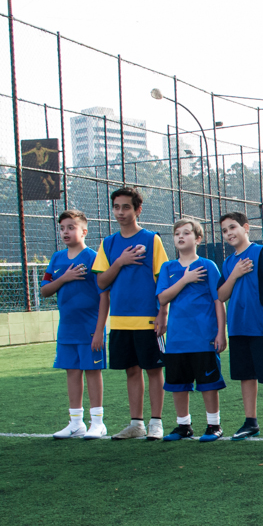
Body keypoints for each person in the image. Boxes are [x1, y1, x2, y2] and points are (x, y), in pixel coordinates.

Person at [92, 186, 168, 440]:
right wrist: (120, 262)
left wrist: (162, 313)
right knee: (131, 371)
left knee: (154, 370)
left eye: (126, 207)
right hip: (120, 321)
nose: (120, 212)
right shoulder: (108, 243)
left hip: (147, 319)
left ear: (138, 210)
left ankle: (156, 422)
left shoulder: (151, 239)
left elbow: (163, 280)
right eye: (116, 207)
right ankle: (137, 424)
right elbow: (102, 282)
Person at [216, 212, 263, 442]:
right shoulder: (228, 263)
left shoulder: (260, 252)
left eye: (233, 227)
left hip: (262, 326)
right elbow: (221, 294)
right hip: (238, 327)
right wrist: (234, 274)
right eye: (224, 230)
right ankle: (251, 422)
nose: (229, 233)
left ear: (246, 227)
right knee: (246, 376)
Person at [40, 209, 109, 439]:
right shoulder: (57, 258)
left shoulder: (93, 257)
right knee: (72, 371)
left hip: (90, 328)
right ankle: (76, 423)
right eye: (62, 228)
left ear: (84, 231)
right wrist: (64, 278)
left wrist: (99, 330)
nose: (65, 232)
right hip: (67, 328)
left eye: (71, 227)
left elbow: (104, 295)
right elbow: (44, 290)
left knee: (92, 371)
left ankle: (97, 423)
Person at [155, 219, 226, 441]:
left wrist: (221, 332)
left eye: (186, 233)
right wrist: (185, 280)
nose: (180, 236)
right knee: (177, 384)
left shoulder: (208, 266)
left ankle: (214, 425)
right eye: (177, 233)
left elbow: (218, 300)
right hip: (177, 339)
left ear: (198, 239)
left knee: (208, 383)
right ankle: (183, 426)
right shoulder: (168, 268)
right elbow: (162, 298)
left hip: (204, 337)